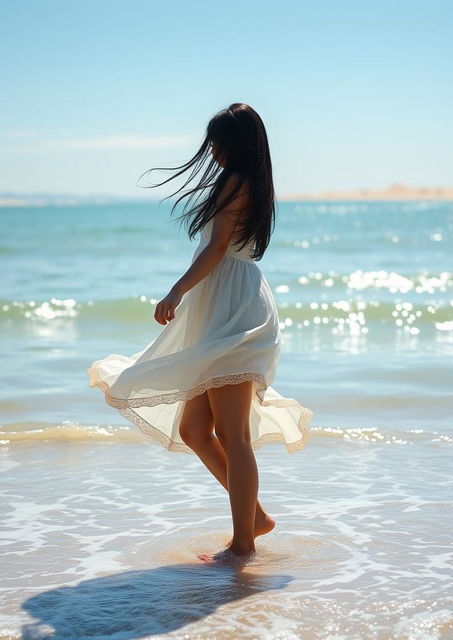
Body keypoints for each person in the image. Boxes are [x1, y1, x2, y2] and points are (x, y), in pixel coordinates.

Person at [87, 103, 313, 566]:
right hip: (224, 306)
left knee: (234, 435)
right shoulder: (249, 182)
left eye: (216, 142)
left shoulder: (236, 181)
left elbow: (216, 249)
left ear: (233, 143)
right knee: (195, 429)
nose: (210, 150)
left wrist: (176, 289)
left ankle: (244, 545)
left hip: (234, 310)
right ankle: (256, 518)